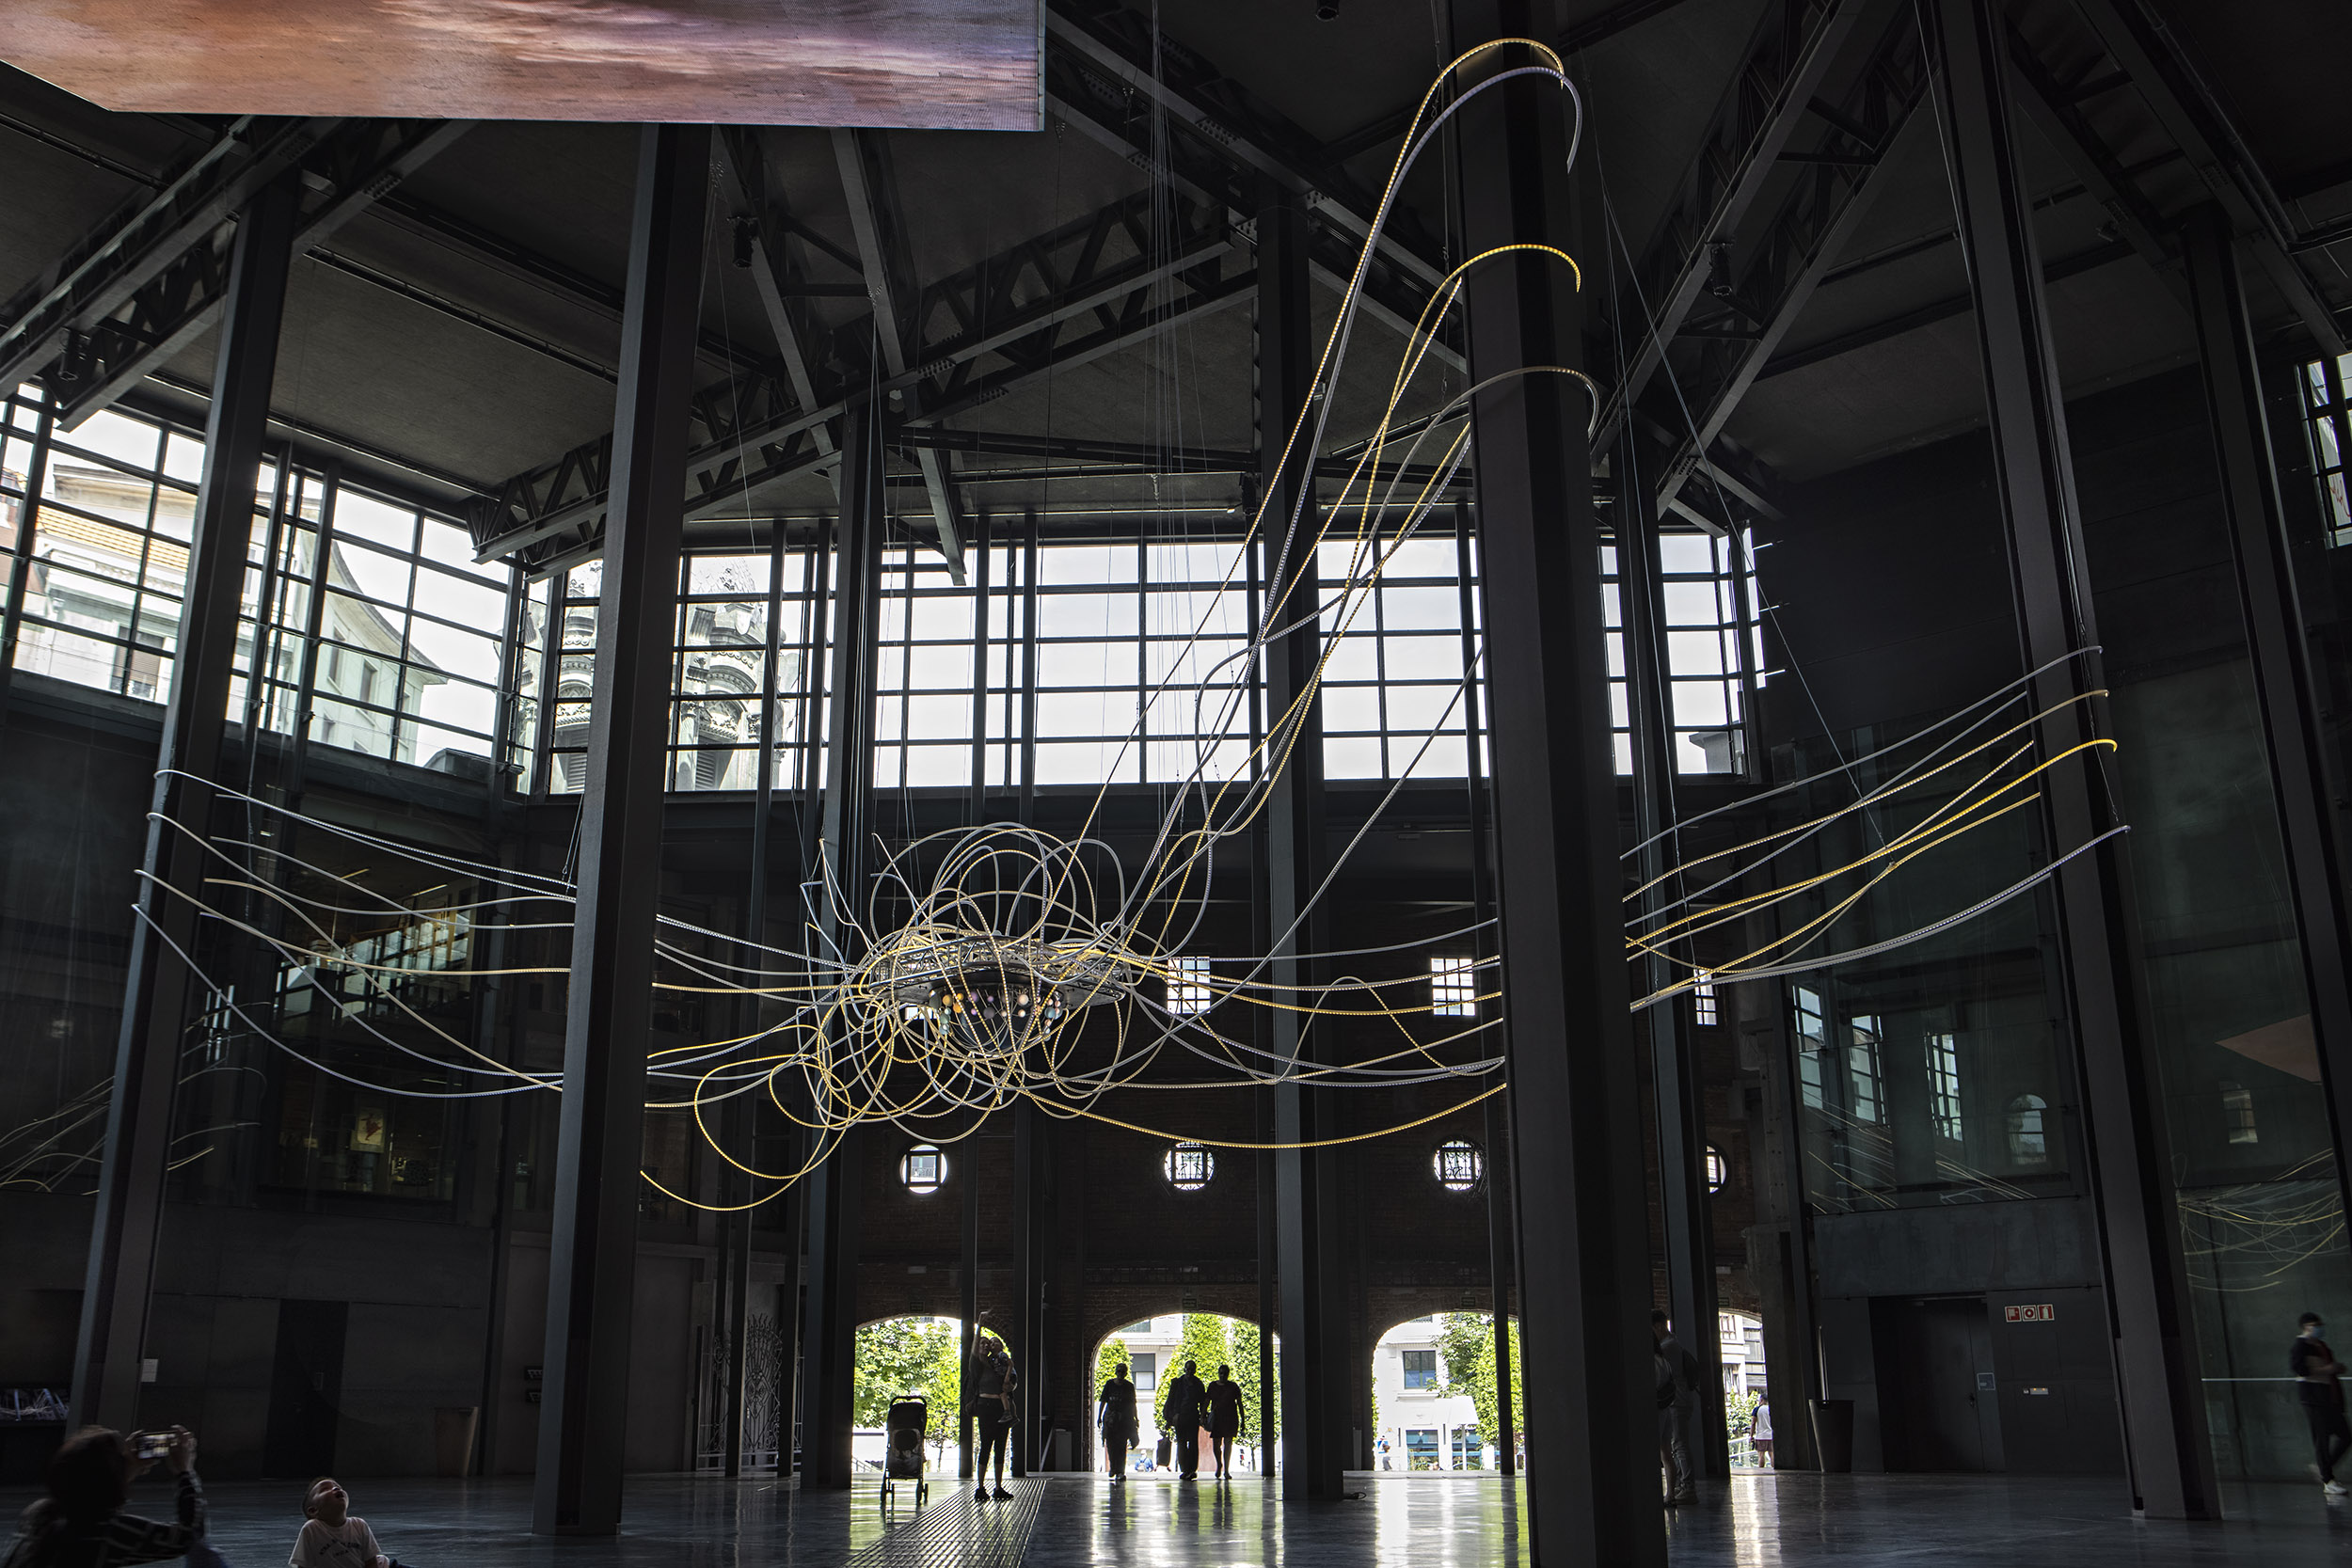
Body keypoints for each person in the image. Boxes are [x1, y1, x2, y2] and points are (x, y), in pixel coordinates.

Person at [3, 1424, 204, 1568]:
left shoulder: (37, 1514)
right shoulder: (108, 1533)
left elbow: (92, 1493)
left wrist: (126, 1470)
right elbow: (187, 1537)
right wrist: (184, 1472)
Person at [2293, 1311, 2350, 1497]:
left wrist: (2334, 1369)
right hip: (2313, 1399)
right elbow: (2300, 1369)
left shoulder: (2321, 1346)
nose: (2319, 1328)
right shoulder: (2300, 1346)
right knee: (2322, 1440)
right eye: (2315, 1325)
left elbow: (2328, 1370)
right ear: (2306, 1327)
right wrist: (2327, 1369)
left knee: (2345, 1436)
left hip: (2328, 1398)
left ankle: (2323, 1469)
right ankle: (2328, 1480)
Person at [1651, 1308, 1697, 1505]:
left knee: (1679, 1445)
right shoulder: (1674, 1343)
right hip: (1678, 1401)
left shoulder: (1667, 1347)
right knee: (1675, 1445)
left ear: (1659, 1326)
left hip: (1677, 1402)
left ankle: (1687, 1487)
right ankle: (1681, 1486)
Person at [290, 1478, 390, 1568]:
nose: (336, 1489)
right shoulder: (312, 1529)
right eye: (325, 1489)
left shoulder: (359, 1525)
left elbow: (371, 1562)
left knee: (384, 1561)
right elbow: (303, 1566)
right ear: (313, 1510)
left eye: (338, 1487)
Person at [968, 1332, 1019, 1502]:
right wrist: (980, 1324)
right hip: (986, 1407)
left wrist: (1011, 1384)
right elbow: (974, 1351)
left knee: (1000, 1446)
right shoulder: (978, 1365)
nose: (985, 1346)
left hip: (1000, 1407)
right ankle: (981, 1487)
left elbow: (1011, 1379)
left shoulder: (996, 1362)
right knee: (986, 1445)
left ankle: (998, 1487)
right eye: (982, 1344)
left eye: (987, 1344)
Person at [1162, 1358, 1206, 1481]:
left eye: (1192, 1369)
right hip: (1180, 1416)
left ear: (1195, 1370)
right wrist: (1170, 1418)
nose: (1190, 1372)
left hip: (1192, 1416)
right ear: (1185, 1369)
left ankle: (1191, 1470)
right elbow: (1170, 1400)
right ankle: (1185, 1469)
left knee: (1192, 1443)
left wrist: (1202, 1416)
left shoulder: (1197, 1384)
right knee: (1182, 1443)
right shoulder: (1178, 1383)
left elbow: (1202, 1401)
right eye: (1188, 1369)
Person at [1098, 1360, 1139, 1482]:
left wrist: (1136, 1418)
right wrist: (1099, 1416)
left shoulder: (1129, 1386)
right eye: (1119, 1371)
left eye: (1123, 1372)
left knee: (1121, 1447)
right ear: (1116, 1372)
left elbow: (1133, 1404)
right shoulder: (1109, 1384)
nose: (1121, 1374)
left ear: (1126, 1373)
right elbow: (1103, 1401)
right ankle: (1113, 1468)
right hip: (1111, 1420)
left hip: (1124, 1421)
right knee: (1111, 1446)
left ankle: (1120, 1471)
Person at [1205, 1363, 1246, 1480]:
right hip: (1218, 1418)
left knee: (1228, 1443)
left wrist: (1243, 1419)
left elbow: (1239, 1403)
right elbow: (1207, 1400)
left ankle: (1226, 1469)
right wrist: (1203, 1415)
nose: (1223, 1376)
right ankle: (1219, 1464)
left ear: (1228, 1374)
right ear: (1218, 1374)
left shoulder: (1233, 1387)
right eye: (1221, 1373)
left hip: (1230, 1417)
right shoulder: (1213, 1386)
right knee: (1216, 1445)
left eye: (1225, 1373)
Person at [1750, 1400, 1774, 1469]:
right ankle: (1774, 1469)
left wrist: (1751, 1436)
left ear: (1761, 1400)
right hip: (1771, 1435)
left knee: (1761, 1455)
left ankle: (1761, 1471)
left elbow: (1753, 1423)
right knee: (1772, 1454)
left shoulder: (1757, 1409)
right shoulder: (1771, 1409)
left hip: (1761, 1436)